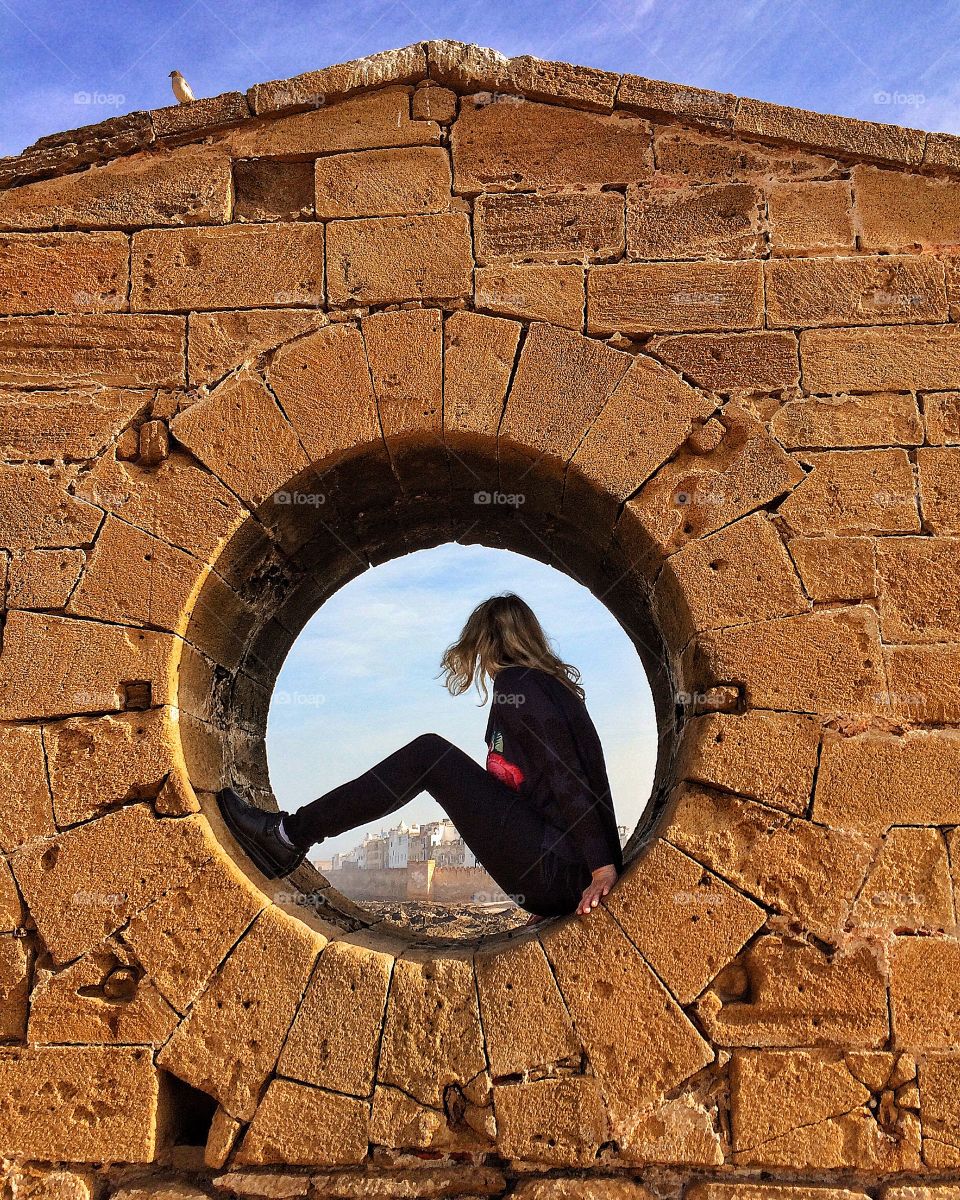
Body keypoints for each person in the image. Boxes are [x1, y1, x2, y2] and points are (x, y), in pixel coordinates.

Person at [217, 593, 623, 920]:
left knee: (431, 755)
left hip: (560, 871)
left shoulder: (519, 683)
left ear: (485, 642)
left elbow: (566, 774)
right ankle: (291, 834)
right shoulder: (546, 688)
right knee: (433, 757)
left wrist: (599, 866)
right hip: (556, 869)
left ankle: (289, 835)